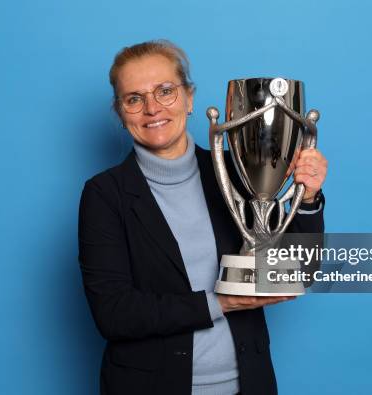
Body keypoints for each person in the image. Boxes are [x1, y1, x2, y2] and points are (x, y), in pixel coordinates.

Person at [78, 40, 327, 395]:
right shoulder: (105, 195)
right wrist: (220, 302)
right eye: (134, 98)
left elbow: (299, 270)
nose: (152, 108)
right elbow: (114, 313)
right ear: (120, 112)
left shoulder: (237, 172)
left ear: (190, 98)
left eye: (165, 91)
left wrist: (308, 197)